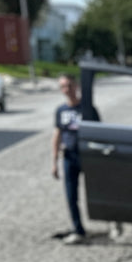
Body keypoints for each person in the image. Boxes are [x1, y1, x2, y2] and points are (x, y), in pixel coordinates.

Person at [51, 75, 96, 245]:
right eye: (63, 87)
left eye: (69, 85)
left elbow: (100, 131)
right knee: (71, 196)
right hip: (69, 157)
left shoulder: (87, 109)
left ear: (76, 86)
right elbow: (57, 135)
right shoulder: (61, 110)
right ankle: (78, 229)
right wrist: (54, 161)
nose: (67, 90)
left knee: (97, 192)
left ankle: (114, 221)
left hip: (88, 156)